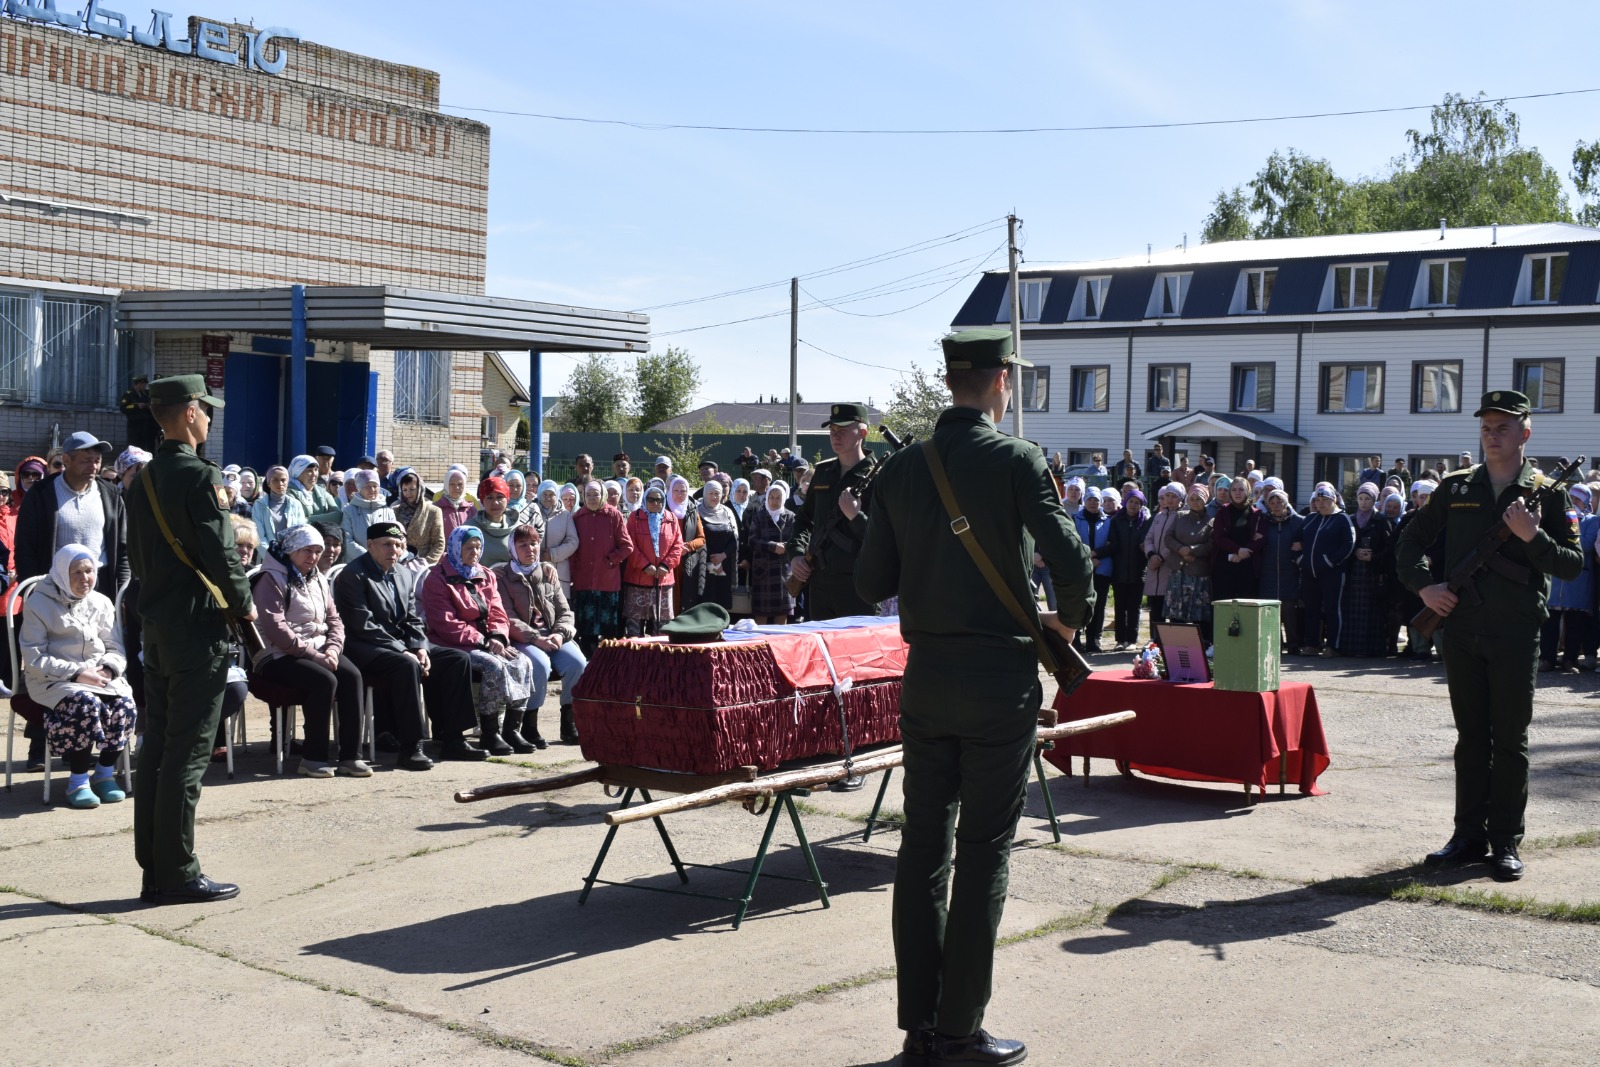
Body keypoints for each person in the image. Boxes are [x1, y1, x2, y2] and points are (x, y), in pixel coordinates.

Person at [856, 327, 1093, 1067]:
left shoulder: (899, 470)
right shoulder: (1017, 459)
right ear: (999, 382)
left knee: (921, 847)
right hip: (998, 683)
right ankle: (959, 1029)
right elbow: (1072, 562)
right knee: (984, 851)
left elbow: (868, 584)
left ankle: (918, 1028)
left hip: (926, 678)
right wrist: (1067, 618)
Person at [1397, 390, 1583, 882]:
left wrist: (1531, 536)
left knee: (1511, 740)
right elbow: (1412, 541)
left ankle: (1505, 841)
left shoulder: (1549, 492)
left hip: (1516, 632)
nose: (1492, 435)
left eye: (1503, 427)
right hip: (1460, 630)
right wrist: (1426, 586)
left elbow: (1571, 563)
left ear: (1526, 432)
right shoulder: (1457, 487)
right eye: (1486, 427)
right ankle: (1466, 836)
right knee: (1471, 738)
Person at [123, 375, 253, 905]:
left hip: (157, 631)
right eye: (204, 408)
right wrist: (244, 607)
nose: (208, 416)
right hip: (198, 631)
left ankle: (155, 867)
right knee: (188, 754)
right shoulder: (201, 478)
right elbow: (223, 554)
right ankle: (177, 870)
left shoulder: (146, 478)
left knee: (158, 749)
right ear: (187, 414)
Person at [334, 521, 482, 767]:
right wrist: (404, 650)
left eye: (399, 545)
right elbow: (363, 625)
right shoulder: (353, 575)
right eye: (387, 545)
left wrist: (420, 646)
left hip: (401, 644)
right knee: (406, 666)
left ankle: (452, 738)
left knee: (457, 659)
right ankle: (411, 746)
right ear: (370, 545)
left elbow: (413, 618)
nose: (394, 551)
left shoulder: (403, 573)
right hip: (366, 647)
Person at [20, 545, 137, 809]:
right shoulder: (39, 603)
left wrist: (108, 669)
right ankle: (78, 781)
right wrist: (76, 673)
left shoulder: (101, 602)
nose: (85, 578)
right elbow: (34, 658)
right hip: (52, 680)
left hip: (98, 676)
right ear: (62, 573)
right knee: (84, 703)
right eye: (77, 572)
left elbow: (115, 647)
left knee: (125, 704)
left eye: (90, 571)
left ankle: (105, 774)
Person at [252, 524, 369, 778]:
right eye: (307, 550)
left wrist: (334, 649)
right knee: (323, 679)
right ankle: (313, 757)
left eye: (318, 551)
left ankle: (350, 756)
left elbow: (334, 619)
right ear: (291, 549)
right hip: (276, 655)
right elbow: (276, 629)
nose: (313, 557)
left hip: (318, 648)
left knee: (352, 676)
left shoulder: (317, 577)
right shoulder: (270, 578)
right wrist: (315, 656)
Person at [421, 525, 535, 757]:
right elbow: (445, 623)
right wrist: (484, 641)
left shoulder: (485, 574)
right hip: (453, 644)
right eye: (468, 547)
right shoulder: (438, 578)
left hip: (488, 640)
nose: (474, 552)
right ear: (455, 548)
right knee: (493, 666)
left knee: (523, 662)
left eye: (478, 546)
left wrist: (497, 636)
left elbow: (497, 611)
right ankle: (489, 732)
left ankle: (512, 729)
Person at [494, 524, 587, 750]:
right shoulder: (502, 576)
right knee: (539, 664)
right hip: (523, 639)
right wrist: (536, 638)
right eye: (523, 545)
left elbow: (565, 611)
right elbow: (508, 617)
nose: (530, 549)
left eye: (534, 543)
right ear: (513, 549)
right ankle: (529, 724)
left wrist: (559, 633)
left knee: (578, 663)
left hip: (553, 635)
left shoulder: (546, 573)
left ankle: (570, 722)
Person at [788, 403, 878, 621]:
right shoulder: (823, 472)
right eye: (832, 431)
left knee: (856, 652)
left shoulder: (879, 476)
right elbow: (803, 519)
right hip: (819, 582)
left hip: (858, 584)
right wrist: (797, 554)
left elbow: (886, 536)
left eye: (843, 430)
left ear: (863, 433)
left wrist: (856, 518)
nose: (835, 436)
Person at [15, 431, 130, 600]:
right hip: (53, 586)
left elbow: (123, 549)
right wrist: (33, 592)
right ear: (67, 460)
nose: (94, 467)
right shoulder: (41, 494)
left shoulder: (110, 494)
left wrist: (122, 594)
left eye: (97, 461)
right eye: (86, 461)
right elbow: (25, 546)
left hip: (100, 585)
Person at [569, 479, 632, 662]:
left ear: (603, 494)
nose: (592, 498)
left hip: (607, 581)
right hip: (584, 581)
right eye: (588, 495)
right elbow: (573, 549)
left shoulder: (614, 515)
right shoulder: (577, 517)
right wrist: (572, 574)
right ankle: (587, 665)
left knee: (608, 630)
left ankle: (608, 666)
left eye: (596, 494)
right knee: (586, 629)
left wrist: (611, 560)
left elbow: (627, 546)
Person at [1541, 484, 1597, 672]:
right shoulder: (1556, 519)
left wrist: (1571, 528)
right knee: (1550, 622)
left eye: (1578, 500)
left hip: (1579, 581)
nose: (1573, 502)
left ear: (1586, 502)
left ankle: (1569, 660)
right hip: (1556, 580)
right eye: (1571, 498)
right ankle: (1547, 659)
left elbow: (1588, 544)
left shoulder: (1592, 521)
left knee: (1575, 623)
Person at [1337, 483, 1394, 657]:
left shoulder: (1381, 520)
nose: (1363, 502)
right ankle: (1351, 648)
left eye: (1367, 499)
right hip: (1354, 572)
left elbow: (1389, 547)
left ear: (1374, 500)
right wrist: (1355, 552)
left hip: (1373, 573)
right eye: (1360, 498)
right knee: (1352, 610)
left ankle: (1371, 649)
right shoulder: (1351, 519)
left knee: (1372, 611)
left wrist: (1373, 557)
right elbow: (1343, 544)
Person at [621, 483, 684, 636]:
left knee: (662, 625)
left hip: (663, 579)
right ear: (644, 500)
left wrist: (666, 565)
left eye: (659, 500)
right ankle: (635, 656)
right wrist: (645, 565)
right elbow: (630, 544)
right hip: (638, 577)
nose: (655, 503)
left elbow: (678, 545)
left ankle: (660, 656)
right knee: (635, 624)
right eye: (651, 500)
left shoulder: (671, 519)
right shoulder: (634, 517)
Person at [1300, 485, 1354, 656]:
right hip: (1310, 572)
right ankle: (1312, 644)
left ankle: (1333, 646)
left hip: (1332, 572)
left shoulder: (1342, 519)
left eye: (1325, 500)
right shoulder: (1310, 519)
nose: (1321, 504)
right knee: (1311, 608)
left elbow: (1349, 545)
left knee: (1332, 608)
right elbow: (1296, 540)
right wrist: (1300, 559)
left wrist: (1330, 561)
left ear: (1334, 500)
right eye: (1317, 500)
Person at [1163, 484, 1216, 642]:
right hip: (1178, 571)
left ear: (1205, 500)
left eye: (1198, 499)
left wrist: (1192, 550)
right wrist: (1181, 550)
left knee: (1199, 613)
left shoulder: (1211, 521)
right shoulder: (1180, 516)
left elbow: (1211, 544)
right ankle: (1176, 644)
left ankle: (1203, 645)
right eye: (1192, 499)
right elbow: (1168, 538)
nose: (1195, 502)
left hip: (1198, 573)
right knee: (1176, 612)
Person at [1260, 490, 1307, 654]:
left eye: (1279, 501)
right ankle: (1276, 645)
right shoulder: (1263, 522)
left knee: (1289, 611)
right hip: (1268, 571)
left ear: (1286, 502)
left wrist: (1301, 545)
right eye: (1272, 503)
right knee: (1271, 611)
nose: (1276, 506)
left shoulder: (1299, 522)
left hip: (1291, 571)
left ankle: (1293, 644)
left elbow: (1308, 541)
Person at [1105, 487, 1148, 650]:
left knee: (1134, 607)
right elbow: (1112, 543)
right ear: (1125, 502)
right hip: (1119, 570)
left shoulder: (1144, 521)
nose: (1133, 505)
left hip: (1138, 571)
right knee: (1120, 606)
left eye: (1137, 502)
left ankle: (1132, 640)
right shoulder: (1116, 520)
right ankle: (1120, 639)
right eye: (1131, 501)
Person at [1211, 476, 1266, 602]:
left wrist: (1245, 552)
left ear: (1248, 491)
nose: (1237, 493)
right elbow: (1218, 537)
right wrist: (1237, 549)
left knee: (1246, 606)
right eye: (1234, 489)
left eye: (1241, 489)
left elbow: (1261, 539)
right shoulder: (1223, 511)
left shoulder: (1256, 514)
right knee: (1224, 606)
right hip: (1225, 566)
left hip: (1248, 567)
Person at [686, 480, 738, 611]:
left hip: (723, 566)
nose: (714, 497)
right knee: (705, 603)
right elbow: (694, 537)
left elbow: (734, 539)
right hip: (702, 566)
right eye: (711, 493)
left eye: (717, 493)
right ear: (704, 493)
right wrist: (712, 561)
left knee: (722, 604)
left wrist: (722, 556)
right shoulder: (696, 512)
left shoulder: (727, 512)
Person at [748, 481, 795, 623]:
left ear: (784, 498)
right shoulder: (759, 516)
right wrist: (773, 546)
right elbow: (752, 540)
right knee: (761, 616)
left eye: (778, 498)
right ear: (767, 498)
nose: (774, 501)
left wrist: (785, 547)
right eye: (771, 497)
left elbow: (796, 541)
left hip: (784, 572)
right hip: (764, 572)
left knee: (782, 615)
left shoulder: (791, 517)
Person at [1073, 487, 1113, 652]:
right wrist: (1088, 557)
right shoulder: (1074, 519)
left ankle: (1093, 639)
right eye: (1089, 499)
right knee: (1078, 604)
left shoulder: (1109, 521)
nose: (1092, 502)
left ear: (1101, 502)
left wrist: (1096, 555)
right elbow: (1072, 541)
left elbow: (1113, 543)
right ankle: (1075, 639)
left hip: (1102, 568)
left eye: (1096, 500)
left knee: (1099, 605)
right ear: (1084, 500)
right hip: (1080, 569)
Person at [1141, 482, 1184, 626]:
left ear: (1180, 499)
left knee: (1173, 610)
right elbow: (1149, 538)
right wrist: (1151, 555)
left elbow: (1175, 540)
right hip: (1154, 567)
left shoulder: (1181, 517)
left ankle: (1172, 645)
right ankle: (1155, 641)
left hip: (1170, 567)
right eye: (1168, 496)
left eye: (1174, 496)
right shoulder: (1158, 516)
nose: (1170, 499)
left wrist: (1161, 558)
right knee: (1156, 609)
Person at [472, 474, 531, 566]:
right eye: (489, 497)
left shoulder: (519, 529)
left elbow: (529, 561)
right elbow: (460, 563)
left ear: (507, 499)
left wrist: (544, 566)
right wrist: (487, 573)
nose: (495, 502)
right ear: (482, 501)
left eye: (500, 497)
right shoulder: (471, 529)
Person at [339, 469, 397, 562]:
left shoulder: (388, 511)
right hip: (357, 562)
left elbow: (394, 536)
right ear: (359, 488)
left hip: (383, 561)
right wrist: (368, 556)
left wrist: (382, 555)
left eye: (375, 486)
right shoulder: (349, 511)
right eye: (368, 486)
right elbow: (346, 539)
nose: (372, 490)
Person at [392, 467, 444, 564]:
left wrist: (426, 563)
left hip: (423, 565)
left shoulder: (433, 511)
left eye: (412, 489)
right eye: (405, 490)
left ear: (420, 489)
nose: (408, 493)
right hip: (399, 564)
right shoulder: (395, 510)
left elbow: (439, 543)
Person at [251, 465, 306, 548]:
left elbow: (301, 532)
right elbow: (259, 537)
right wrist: (272, 556)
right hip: (267, 556)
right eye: (275, 480)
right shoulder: (259, 505)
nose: (280, 484)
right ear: (268, 483)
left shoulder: (296, 505)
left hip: (292, 555)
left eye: (283, 480)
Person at [544, 482, 581, 599]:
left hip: (560, 571)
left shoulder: (565, 515)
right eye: (545, 494)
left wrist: (551, 554)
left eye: (552, 494)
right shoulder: (532, 512)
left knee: (560, 610)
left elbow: (573, 541)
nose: (548, 498)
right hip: (537, 571)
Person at [287, 454, 342, 526]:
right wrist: (325, 518)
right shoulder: (289, 492)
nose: (314, 474)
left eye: (316, 470)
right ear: (297, 473)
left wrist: (308, 519)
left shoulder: (322, 491)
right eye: (309, 471)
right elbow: (295, 520)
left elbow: (338, 516)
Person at [119, 374, 160, 451]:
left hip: (145, 425)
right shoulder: (128, 394)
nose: (145, 386)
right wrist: (136, 406)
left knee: (143, 446)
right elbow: (123, 408)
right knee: (133, 445)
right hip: (134, 424)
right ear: (139, 384)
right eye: (144, 384)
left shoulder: (144, 394)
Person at [437, 465, 477, 536]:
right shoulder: (437, 509)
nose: (456, 487)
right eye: (452, 484)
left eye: (460, 484)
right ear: (446, 485)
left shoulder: (471, 510)